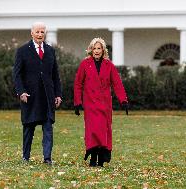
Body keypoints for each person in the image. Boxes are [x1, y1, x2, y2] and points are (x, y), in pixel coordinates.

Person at [13, 22, 62, 165]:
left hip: (47, 96)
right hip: (30, 97)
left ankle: (47, 158)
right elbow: (16, 75)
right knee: (28, 127)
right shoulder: (22, 51)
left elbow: (55, 75)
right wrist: (21, 91)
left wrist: (58, 94)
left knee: (48, 127)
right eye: (37, 32)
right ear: (32, 33)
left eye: (42, 32)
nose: (40, 34)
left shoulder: (50, 51)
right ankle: (25, 157)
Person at [74, 37, 128, 167]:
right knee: (92, 131)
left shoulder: (109, 65)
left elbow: (117, 84)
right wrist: (77, 102)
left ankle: (101, 160)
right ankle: (93, 158)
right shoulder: (84, 64)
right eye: (94, 48)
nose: (96, 51)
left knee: (103, 132)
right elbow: (78, 84)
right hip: (90, 104)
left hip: (104, 105)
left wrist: (123, 100)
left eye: (99, 48)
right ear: (90, 50)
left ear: (103, 50)